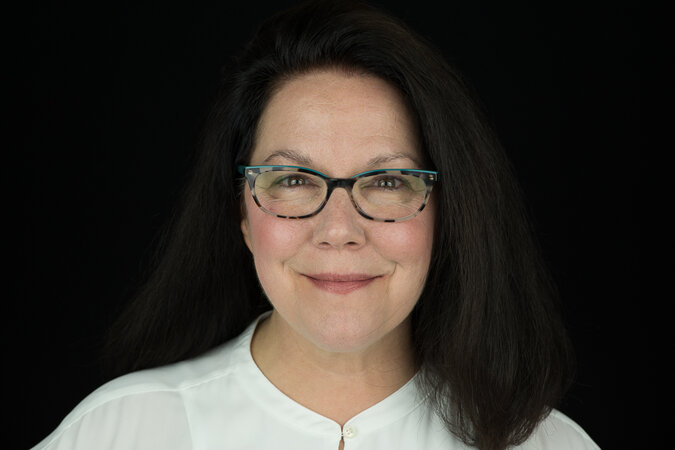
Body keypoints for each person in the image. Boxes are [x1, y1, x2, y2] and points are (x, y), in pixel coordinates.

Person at [32, 1, 599, 449]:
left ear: (447, 213)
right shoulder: (118, 433)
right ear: (241, 213)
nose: (338, 229)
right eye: (294, 179)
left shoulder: (547, 444)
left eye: (387, 181)